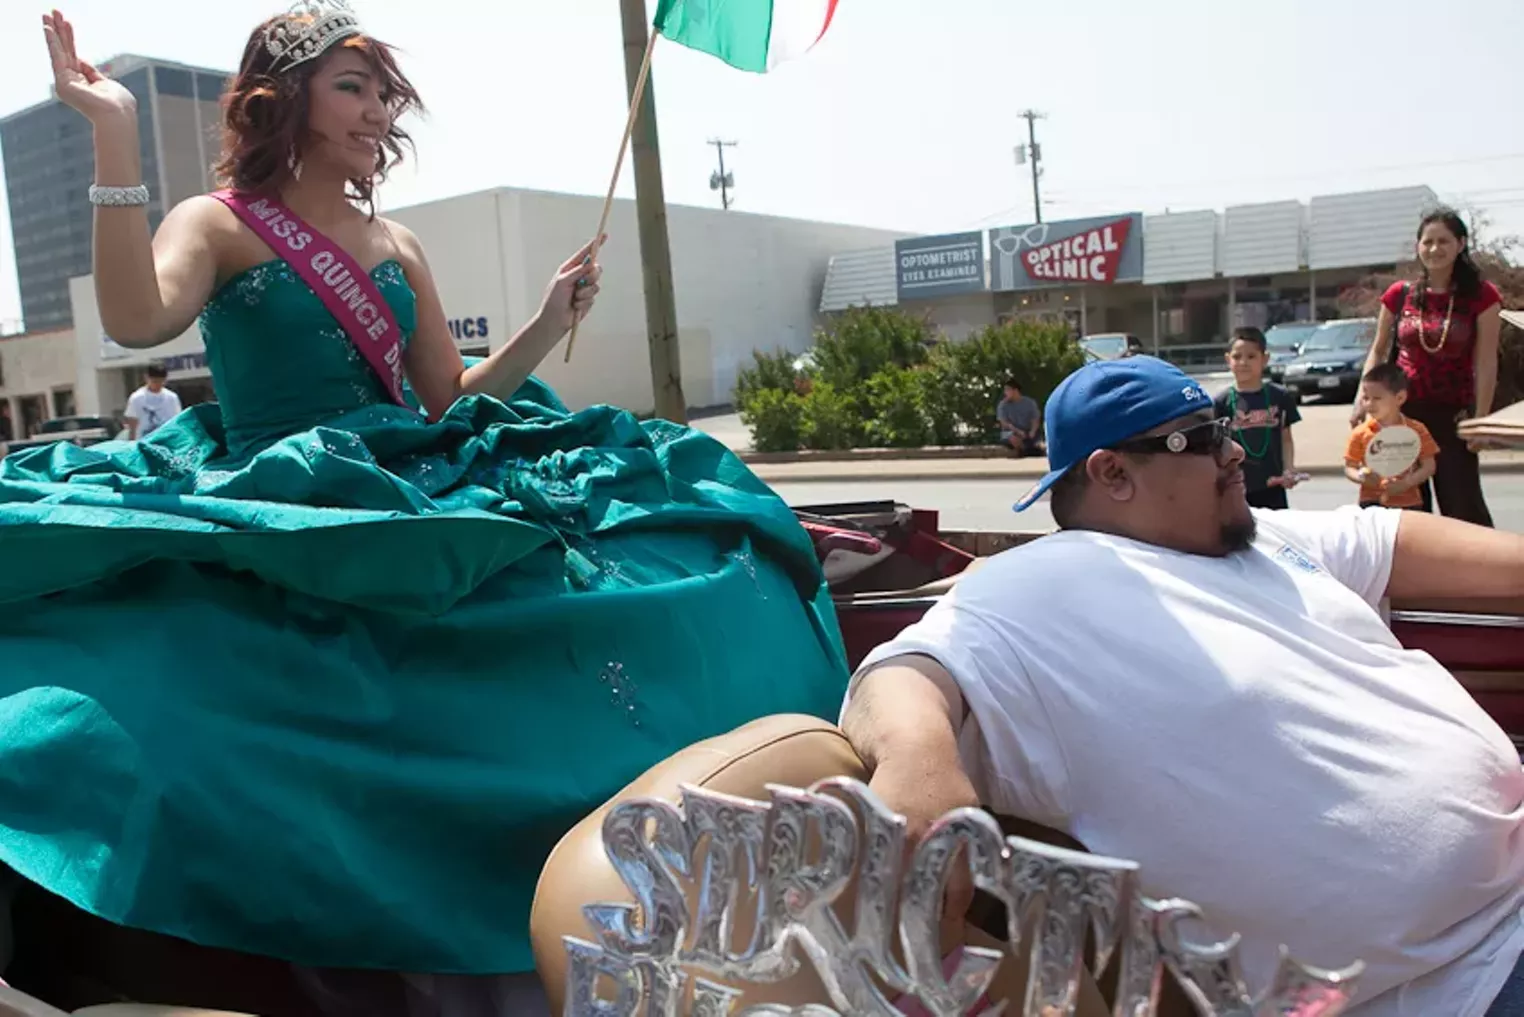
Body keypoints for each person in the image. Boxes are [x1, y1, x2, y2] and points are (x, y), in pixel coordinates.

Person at [0, 7, 848, 1014]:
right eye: (351, 88)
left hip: (411, 472)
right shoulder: (218, 221)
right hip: (285, 491)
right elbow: (136, 318)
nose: (377, 111)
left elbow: (447, 396)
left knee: (625, 580)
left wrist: (546, 321)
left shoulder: (396, 241)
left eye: (382, 93)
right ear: (284, 100)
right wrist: (114, 134)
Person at [840, 356, 1524, 1017]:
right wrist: (918, 763)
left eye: (1223, 428)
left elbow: (1392, 538)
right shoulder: (1037, 585)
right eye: (1200, 439)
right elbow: (902, 670)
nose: (1233, 451)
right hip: (1457, 976)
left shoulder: (1260, 536)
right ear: (1112, 472)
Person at [1357, 208, 1502, 526]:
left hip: (1453, 417)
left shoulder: (1482, 296)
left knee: (1462, 508)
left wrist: (1481, 419)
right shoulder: (1400, 295)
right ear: (1418, 246)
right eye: (1428, 242)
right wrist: (1363, 401)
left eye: (1444, 241)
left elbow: (1486, 361)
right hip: (1401, 416)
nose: (1435, 249)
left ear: (1460, 244)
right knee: (1407, 511)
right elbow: (1378, 351)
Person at [1213, 326, 1302, 509]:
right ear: (1228, 360)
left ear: (1265, 359)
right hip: (1236, 487)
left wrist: (1289, 469)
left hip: (1273, 486)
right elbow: (1216, 446)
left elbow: (1286, 438)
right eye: (1237, 357)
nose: (1243, 362)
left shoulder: (1280, 396)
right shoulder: (1221, 402)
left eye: (1251, 356)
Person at [1346, 363, 1440, 510]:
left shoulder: (1417, 430)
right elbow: (1349, 467)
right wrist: (1362, 477)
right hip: (1371, 502)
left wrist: (1406, 483)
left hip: (1409, 503)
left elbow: (1429, 466)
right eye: (1365, 398)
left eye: (1377, 398)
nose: (1369, 404)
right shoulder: (1360, 433)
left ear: (1400, 398)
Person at [122, 362, 182, 439]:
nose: (158, 384)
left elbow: (177, 421)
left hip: (165, 440)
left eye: (161, 381)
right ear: (146, 378)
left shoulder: (172, 398)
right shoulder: (137, 398)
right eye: (155, 381)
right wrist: (132, 442)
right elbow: (132, 423)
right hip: (144, 439)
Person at [996, 377, 1042, 457]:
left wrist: (1032, 431)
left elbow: (1035, 419)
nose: (1005, 393)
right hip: (1010, 432)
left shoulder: (1030, 402)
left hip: (1027, 431)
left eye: (1008, 390)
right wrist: (1018, 431)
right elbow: (1005, 423)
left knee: (1037, 438)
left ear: (1015, 390)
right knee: (1012, 438)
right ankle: (1024, 450)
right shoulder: (1003, 405)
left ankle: (1032, 448)